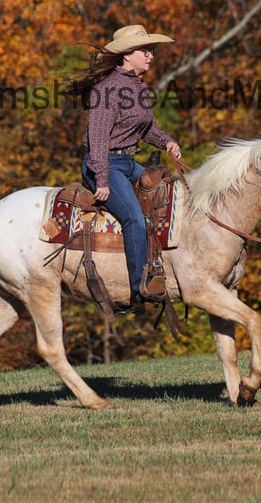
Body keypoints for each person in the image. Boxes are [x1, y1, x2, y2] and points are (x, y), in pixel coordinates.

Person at [67, 24, 182, 311]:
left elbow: (146, 128)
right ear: (126, 56)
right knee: (133, 217)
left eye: (151, 51)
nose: (150, 56)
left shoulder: (138, 87)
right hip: (104, 164)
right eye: (145, 51)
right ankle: (138, 290)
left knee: (167, 198)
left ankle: (164, 267)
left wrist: (166, 142)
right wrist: (102, 180)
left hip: (128, 162)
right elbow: (98, 138)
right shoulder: (107, 90)